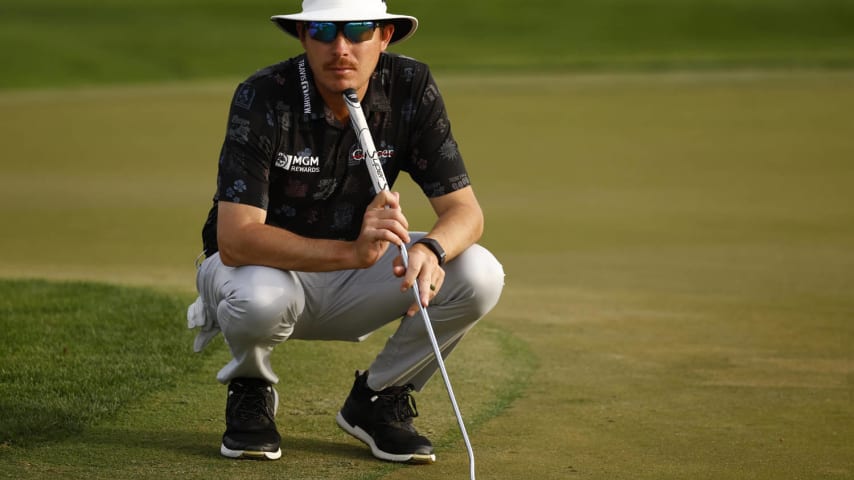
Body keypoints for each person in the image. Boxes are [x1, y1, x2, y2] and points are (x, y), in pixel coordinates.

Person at [186, 0, 505, 464]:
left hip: (358, 270)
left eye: (357, 31)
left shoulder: (410, 88)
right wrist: (350, 253)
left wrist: (433, 250)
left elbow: (465, 211)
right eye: (323, 31)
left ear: (384, 36)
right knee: (259, 298)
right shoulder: (263, 95)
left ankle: (378, 400)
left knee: (478, 272)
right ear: (302, 37)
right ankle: (250, 387)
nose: (341, 48)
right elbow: (235, 241)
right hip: (263, 272)